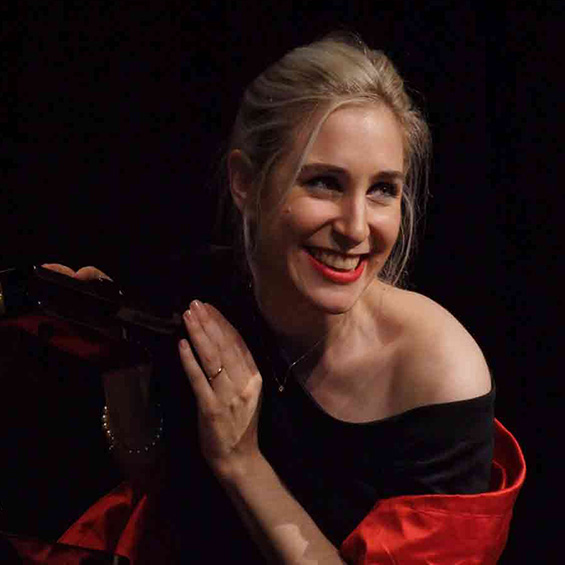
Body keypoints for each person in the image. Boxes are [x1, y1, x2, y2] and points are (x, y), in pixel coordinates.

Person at [45, 33, 523, 564]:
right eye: (324, 183)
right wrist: (117, 358)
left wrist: (241, 461)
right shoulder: (200, 289)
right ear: (245, 182)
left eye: (382, 189)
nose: (356, 227)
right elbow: (158, 487)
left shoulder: (438, 370)